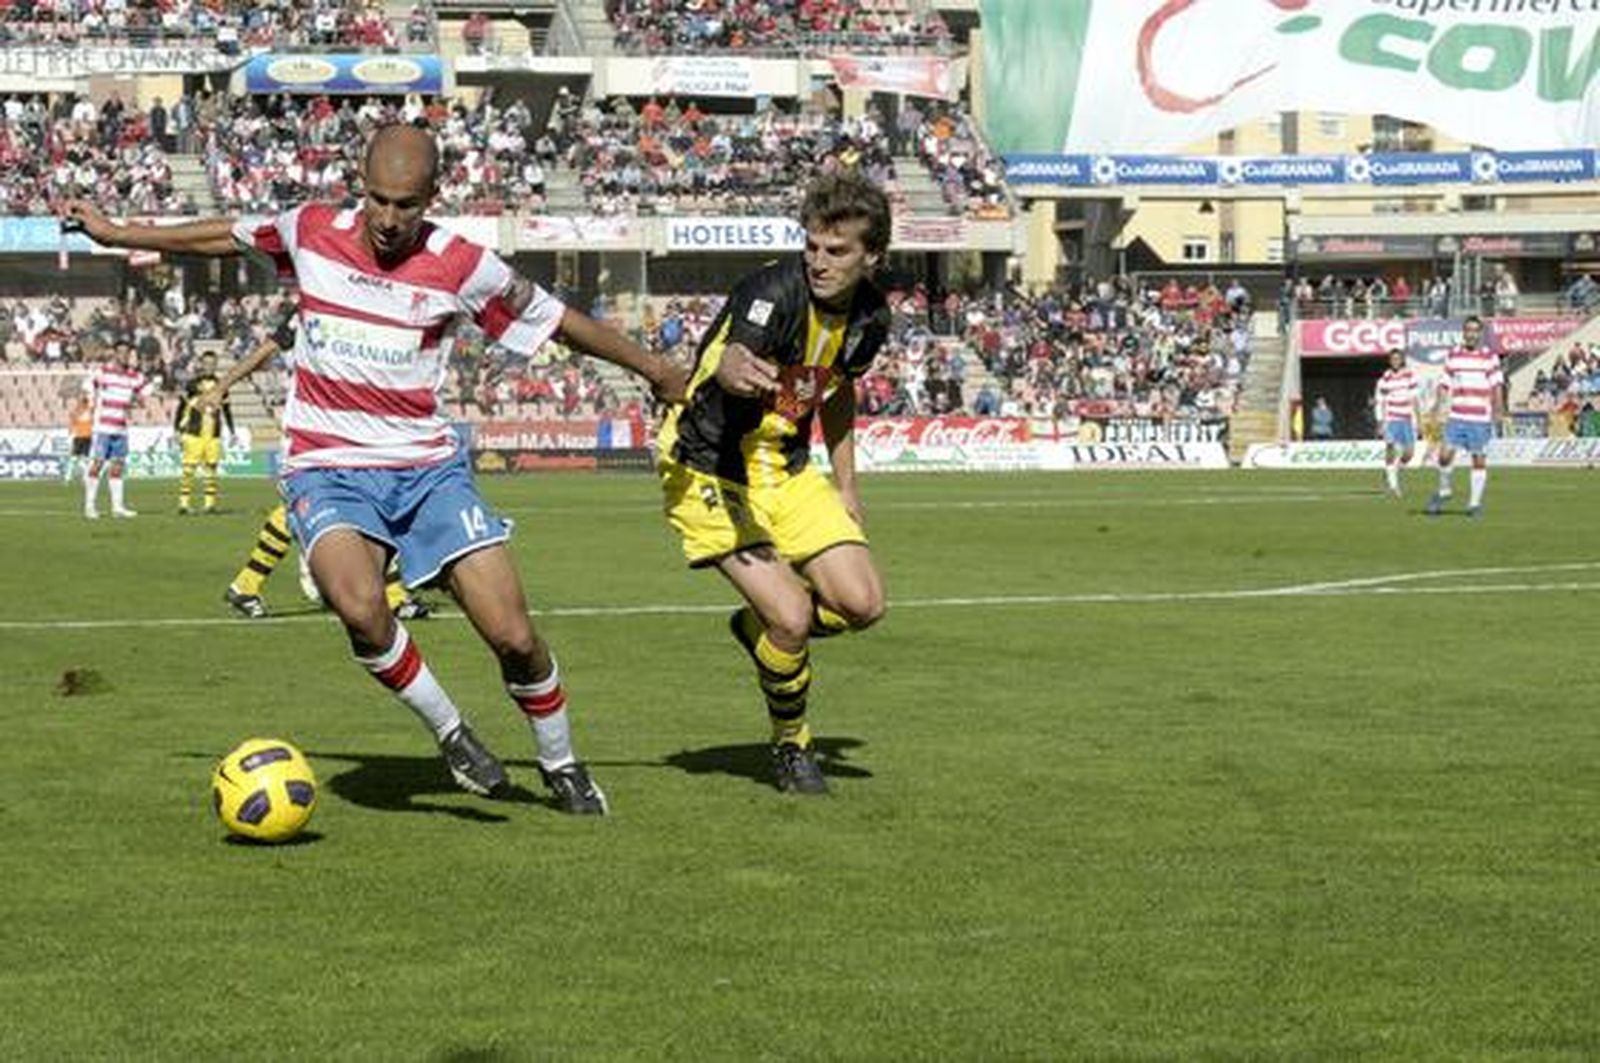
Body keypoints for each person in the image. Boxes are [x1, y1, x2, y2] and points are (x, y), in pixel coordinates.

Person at [65, 124, 688, 815]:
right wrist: (121, 233)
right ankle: (453, 732)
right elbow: (221, 235)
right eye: (377, 199)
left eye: (406, 204)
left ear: (433, 197)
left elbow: (556, 319)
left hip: (426, 469)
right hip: (326, 464)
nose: (389, 219)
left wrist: (654, 366)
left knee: (513, 635)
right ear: (359, 184)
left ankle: (561, 761)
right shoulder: (308, 229)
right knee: (359, 605)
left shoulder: (463, 264)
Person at [654, 172, 891, 796]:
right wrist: (735, 369)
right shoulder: (771, 292)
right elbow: (735, 357)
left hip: (783, 468)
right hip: (707, 463)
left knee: (863, 605)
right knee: (791, 617)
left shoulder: (871, 317)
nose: (818, 261)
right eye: (811, 246)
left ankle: (756, 629)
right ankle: (792, 747)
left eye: (836, 251)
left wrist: (846, 486)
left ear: (872, 258)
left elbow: (840, 393)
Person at [213, 321, 432, 622]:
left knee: (358, 504)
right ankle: (393, 596)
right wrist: (221, 386)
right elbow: (263, 353)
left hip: (351, 430)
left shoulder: (362, 308)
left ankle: (246, 586)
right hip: (312, 432)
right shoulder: (308, 310)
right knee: (336, 506)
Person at [1426, 316, 1502, 518]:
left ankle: (1474, 504)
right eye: (1468, 330)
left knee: (1478, 459)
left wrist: (1499, 409)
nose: (1471, 334)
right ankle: (1444, 490)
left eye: (1475, 330)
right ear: (1464, 332)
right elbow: (1444, 383)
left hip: (1480, 417)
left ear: (1480, 333)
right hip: (1457, 414)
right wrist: (1437, 405)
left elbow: (1496, 385)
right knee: (1444, 456)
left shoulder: (1490, 356)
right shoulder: (1453, 355)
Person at [82, 340, 150, 519]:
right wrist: (91, 400)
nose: (124, 356)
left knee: (118, 466)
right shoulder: (103, 372)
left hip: (121, 427)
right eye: (120, 352)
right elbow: (88, 384)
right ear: (114, 354)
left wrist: (138, 399)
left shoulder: (134, 376)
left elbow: (146, 389)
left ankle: (117, 507)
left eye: (127, 353)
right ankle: (90, 506)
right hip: (103, 426)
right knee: (97, 464)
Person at [174, 351, 235, 515]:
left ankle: (210, 505)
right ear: (201, 364)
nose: (209, 366)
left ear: (216, 365)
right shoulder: (192, 384)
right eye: (206, 363)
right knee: (189, 469)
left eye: (212, 363)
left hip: (213, 434)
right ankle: (184, 504)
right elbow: (181, 407)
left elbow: (227, 409)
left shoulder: (221, 385)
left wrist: (232, 431)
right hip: (194, 432)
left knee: (211, 470)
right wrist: (176, 430)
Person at [1374, 348, 1419, 498]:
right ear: (1389, 361)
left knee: (1409, 453)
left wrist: (1418, 419)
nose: (1395, 361)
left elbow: (1414, 399)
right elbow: (1379, 402)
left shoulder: (1409, 376)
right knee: (1390, 449)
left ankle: (1392, 472)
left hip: (1407, 419)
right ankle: (1393, 485)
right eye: (1393, 359)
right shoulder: (1384, 380)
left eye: (1398, 359)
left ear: (1402, 360)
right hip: (1391, 419)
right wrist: (1380, 422)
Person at [63, 393, 93, 483]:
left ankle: (82, 477)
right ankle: (68, 477)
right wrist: (70, 433)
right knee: (75, 459)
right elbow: (72, 423)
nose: (83, 404)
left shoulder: (88, 411)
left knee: (83, 459)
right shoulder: (78, 412)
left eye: (84, 402)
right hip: (80, 437)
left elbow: (72, 422)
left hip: (86, 437)